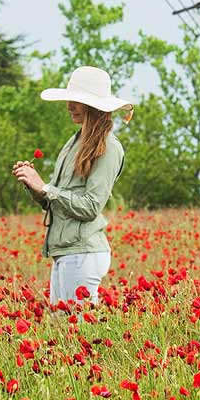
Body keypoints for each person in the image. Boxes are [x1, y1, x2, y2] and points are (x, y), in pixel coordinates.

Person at [12, 66, 132, 305]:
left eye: (77, 101)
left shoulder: (109, 147)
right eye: (70, 100)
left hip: (83, 252)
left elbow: (90, 207)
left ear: (94, 105)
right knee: (62, 330)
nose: (69, 106)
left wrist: (46, 188)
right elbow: (54, 201)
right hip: (66, 251)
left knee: (76, 333)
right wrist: (34, 184)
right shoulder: (74, 142)